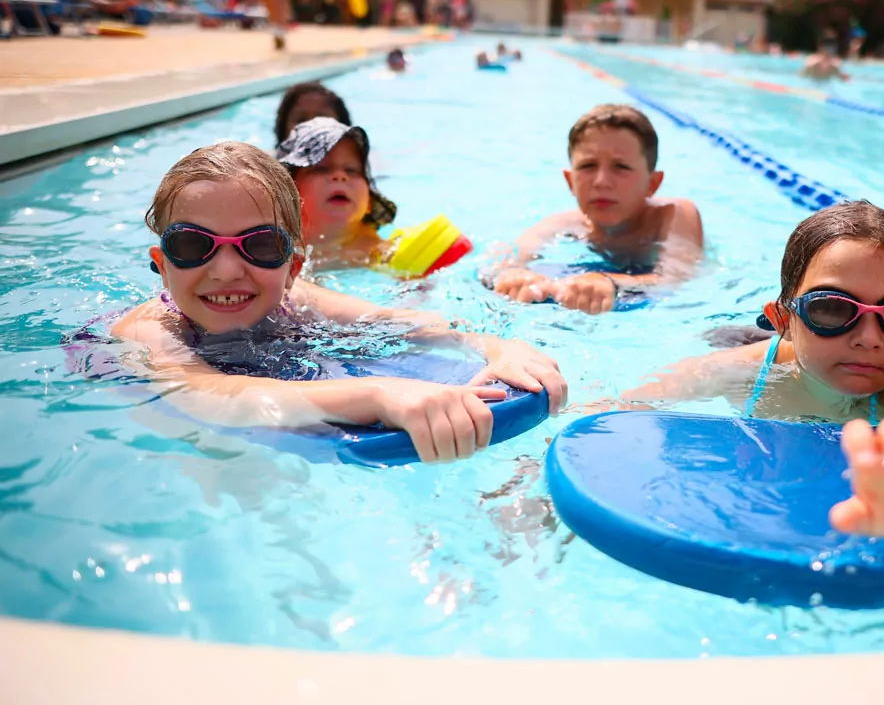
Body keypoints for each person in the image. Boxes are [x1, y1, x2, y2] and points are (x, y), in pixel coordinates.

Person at [109, 141, 566, 463]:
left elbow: (407, 323)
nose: (227, 269)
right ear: (162, 263)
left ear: (292, 268)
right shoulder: (147, 331)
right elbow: (210, 395)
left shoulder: (297, 300)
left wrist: (494, 346)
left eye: (261, 245)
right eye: (193, 245)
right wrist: (377, 394)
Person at [607, 201, 884, 538]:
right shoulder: (746, 371)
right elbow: (627, 403)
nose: (870, 338)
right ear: (784, 318)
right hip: (754, 340)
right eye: (833, 308)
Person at [490, 105, 704, 315]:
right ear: (570, 181)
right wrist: (512, 274)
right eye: (588, 166)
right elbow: (501, 260)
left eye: (621, 167)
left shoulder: (675, 214)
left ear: (653, 183)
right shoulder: (564, 224)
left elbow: (678, 279)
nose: (601, 182)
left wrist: (608, 281)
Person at [276, 117, 398, 268]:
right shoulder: (275, 248)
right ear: (290, 193)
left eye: (352, 170)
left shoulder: (383, 252)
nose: (340, 176)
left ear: (369, 203)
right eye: (321, 168)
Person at [274, 82, 351, 146]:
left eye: (322, 120)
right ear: (283, 128)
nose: (311, 127)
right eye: (301, 120)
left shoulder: (359, 162)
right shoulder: (268, 163)